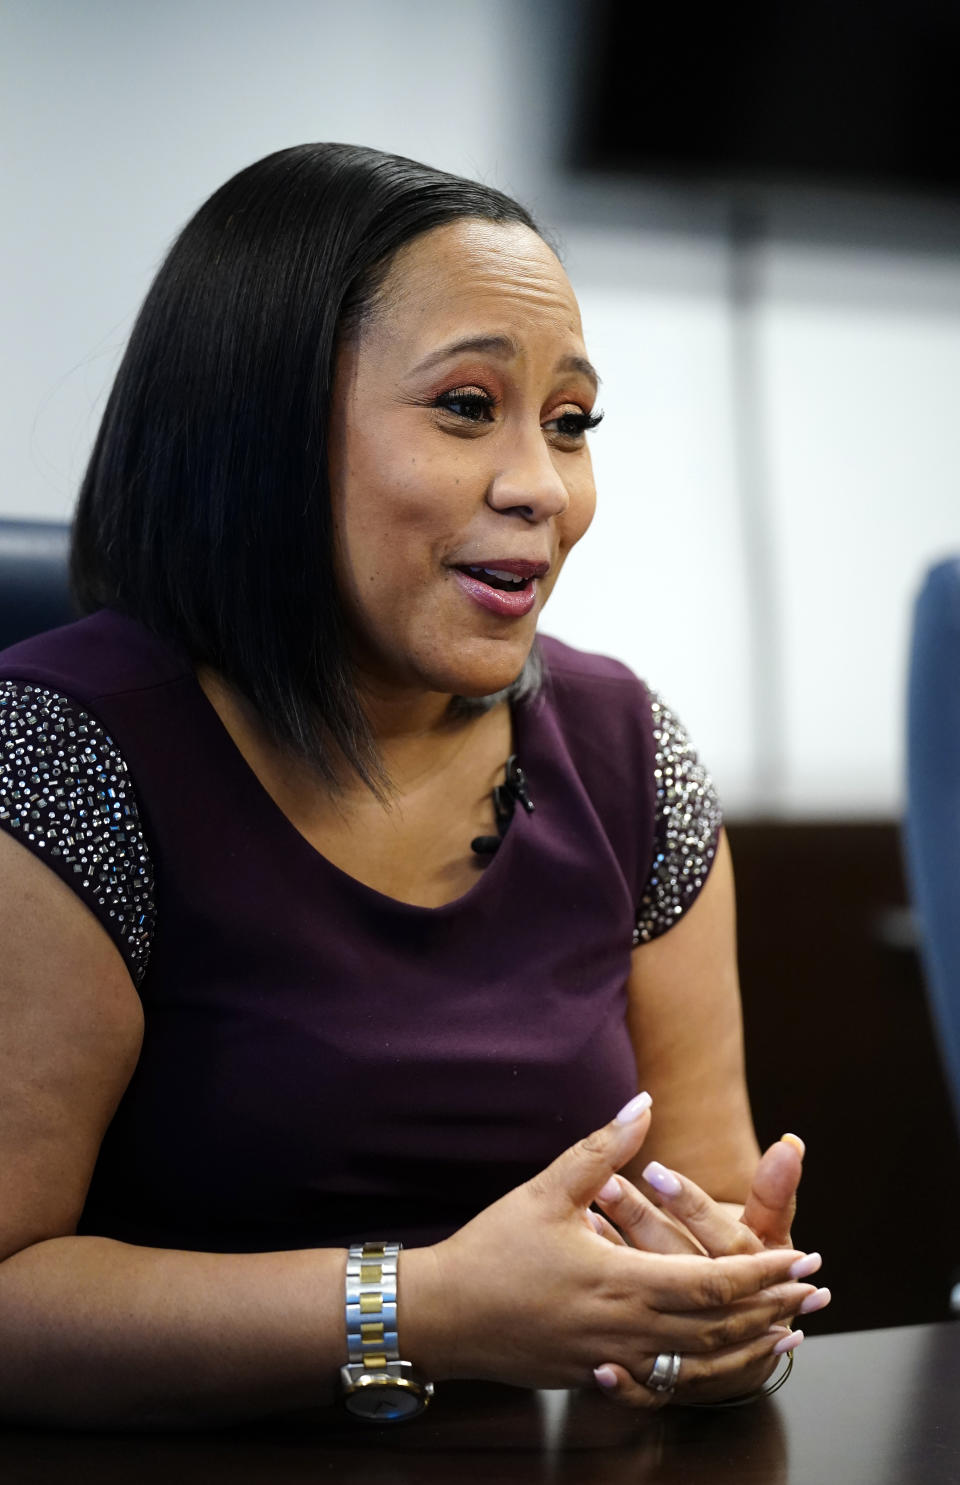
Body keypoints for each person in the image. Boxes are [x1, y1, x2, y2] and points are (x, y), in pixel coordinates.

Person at [0, 143, 828, 1430]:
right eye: (464, 407)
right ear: (262, 430)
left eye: (568, 422)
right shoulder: (60, 758)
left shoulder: (629, 754)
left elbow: (703, 1222)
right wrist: (423, 1304)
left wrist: (713, 1325)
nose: (541, 488)